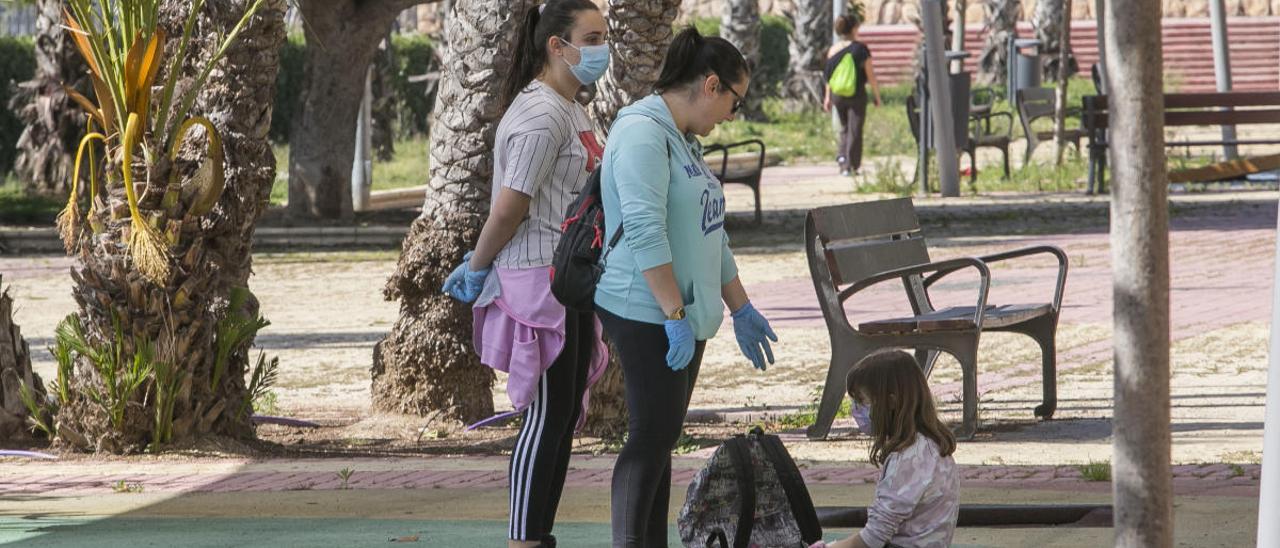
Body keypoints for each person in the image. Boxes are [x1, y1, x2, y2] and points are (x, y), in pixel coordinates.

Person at [594, 26, 779, 547]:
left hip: (681, 313)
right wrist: (674, 315)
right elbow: (646, 228)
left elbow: (709, 231)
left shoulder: (684, 140)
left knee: (662, 439)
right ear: (711, 84)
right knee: (650, 437)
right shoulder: (642, 131)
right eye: (735, 103)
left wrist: (740, 307)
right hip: (645, 308)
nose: (731, 117)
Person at [440, 2, 610, 547]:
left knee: (560, 417)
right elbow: (510, 207)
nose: (602, 48)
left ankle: (539, 535)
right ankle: (524, 539)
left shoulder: (569, 108)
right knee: (545, 417)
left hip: (568, 276)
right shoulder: (540, 116)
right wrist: (478, 264)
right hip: (537, 279)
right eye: (592, 37)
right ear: (556, 47)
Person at [810, 350, 959, 548]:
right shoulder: (931, 447)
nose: (857, 410)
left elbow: (873, 538)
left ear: (891, 402)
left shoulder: (909, 458)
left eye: (862, 401)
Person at [823, 12, 883, 177]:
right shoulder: (861, 49)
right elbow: (871, 76)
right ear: (855, 28)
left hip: (837, 95)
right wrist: (877, 96)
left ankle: (842, 161)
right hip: (856, 95)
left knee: (844, 128)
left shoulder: (833, 50)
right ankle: (852, 165)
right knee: (855, 129)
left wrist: (827, 97)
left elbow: (829, 76)